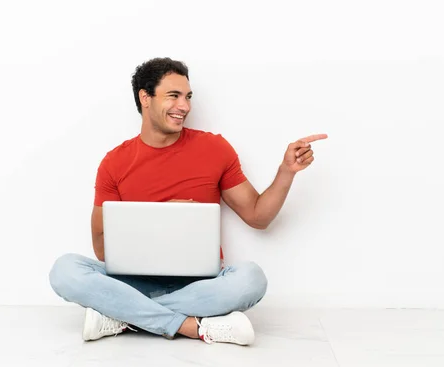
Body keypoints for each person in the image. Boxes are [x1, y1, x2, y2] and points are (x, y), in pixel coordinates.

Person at [49, 57, 327, 345]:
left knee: (251, 279)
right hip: (135, 281)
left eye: (188, 97)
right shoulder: (114, 162)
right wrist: (161, 218)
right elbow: (102, 250)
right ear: (145, 97)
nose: (185, 106)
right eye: (174, 96)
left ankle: (124, 317)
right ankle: (194, 326)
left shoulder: (214, 148)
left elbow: (258, 217)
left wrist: (286, 171)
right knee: (65, 270)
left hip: (201, 284)